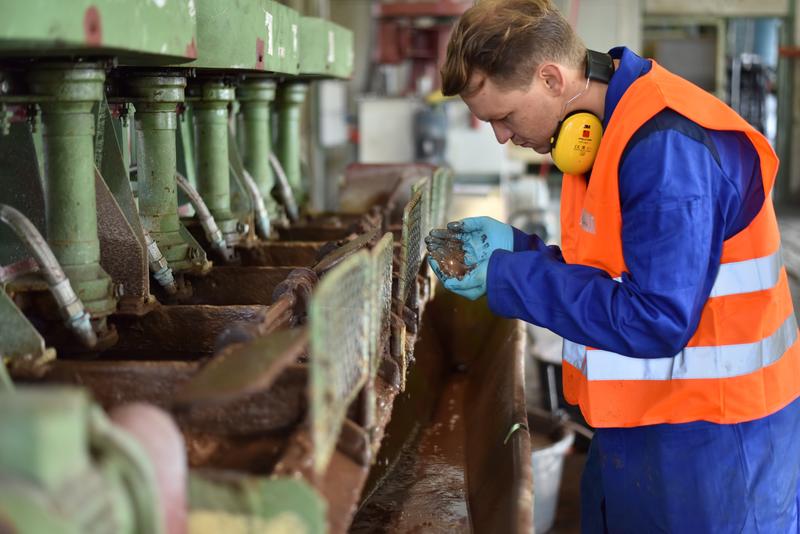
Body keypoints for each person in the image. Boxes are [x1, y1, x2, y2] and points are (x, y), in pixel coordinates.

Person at [425, 0, 800, 531]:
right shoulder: (605, 127)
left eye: (504, 117)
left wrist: (508, 277)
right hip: (642, 425)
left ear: (551, 78)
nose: (502, 137)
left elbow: (655, 316)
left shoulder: (666, 147)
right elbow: (614, 274)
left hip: (713, 448)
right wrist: (519, 252)